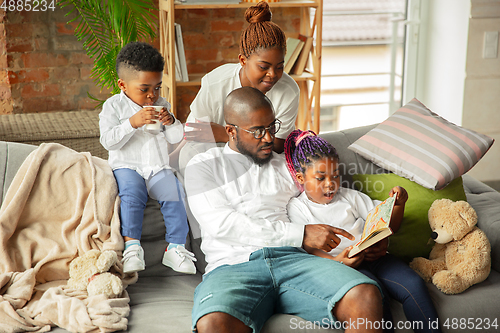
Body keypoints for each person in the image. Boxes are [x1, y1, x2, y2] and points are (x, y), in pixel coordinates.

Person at [184, 86, 384, 333]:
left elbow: (327, 204)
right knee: (213, 323)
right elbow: (223, 224)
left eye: (271, 127)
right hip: (234, 266)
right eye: (257, 131)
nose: (268, 138)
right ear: (230, 131)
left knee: (364, 294)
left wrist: (369, 239)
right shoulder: (203, 167)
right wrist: (301, 234)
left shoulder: (289, 168)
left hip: (296, 261)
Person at [284, 129, 442, 333]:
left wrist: (398, 205)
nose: (330, 184)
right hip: (345, 268)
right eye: (320, 178)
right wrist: (336, 262)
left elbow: (388, 226)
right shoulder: (297, 208)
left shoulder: (349, 197)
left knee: (414, 284)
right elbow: (308, 248)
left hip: (375, 257)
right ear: (301, 177)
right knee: (377, 297)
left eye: (335, 175)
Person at [99, 41, 196, 275]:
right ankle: (132, 247)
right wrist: (132, 123)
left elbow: (175, 137)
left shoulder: (162, 105)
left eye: (157, 87)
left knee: (174, 192)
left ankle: (175, 248)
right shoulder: (113, 106)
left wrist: (171, 121)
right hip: (127, 166)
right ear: (123, 85)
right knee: (132, 195)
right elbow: (108, 141)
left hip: (156, 167)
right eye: (144, 89)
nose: (152, 96)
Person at [175, 1, 299, 170]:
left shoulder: (288, 91)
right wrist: (171, 159)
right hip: (217, 151)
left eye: (279, 67)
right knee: (191, 154)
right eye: (263, 67)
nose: (273, 74)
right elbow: (196, 132)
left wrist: (225, 134)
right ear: (243, 60)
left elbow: (277, 145)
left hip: (263, 156)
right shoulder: (215, 82)